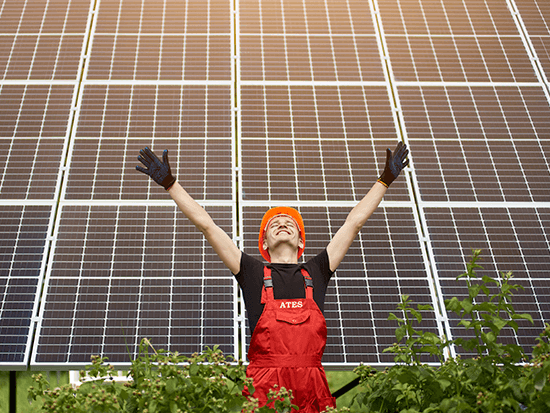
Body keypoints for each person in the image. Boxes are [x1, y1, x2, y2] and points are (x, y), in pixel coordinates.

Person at [136, 142, 409, 412]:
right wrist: (171, 184)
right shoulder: (251, 272)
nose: (282, 223)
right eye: (274, 223)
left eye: (289, 222)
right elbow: (207, 225)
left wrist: (384, 180)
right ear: (264, 244)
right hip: (265, 387)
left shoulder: (317, 271)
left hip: (312, 385)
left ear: (300, 240)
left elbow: (354, 222)